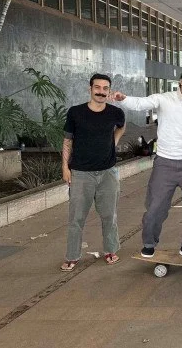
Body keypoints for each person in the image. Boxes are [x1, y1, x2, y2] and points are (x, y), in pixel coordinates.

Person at [112, 68, 182, 263]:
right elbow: (141, 103)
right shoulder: (164, 99)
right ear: (181, 82)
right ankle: (149, 244)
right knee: (155, 208)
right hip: (165, 163)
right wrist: (123, 99)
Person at [60, 74, 126, 271]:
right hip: (81, 173)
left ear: (109, 91)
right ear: (90, 89)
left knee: (109, 216)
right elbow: (67, 140)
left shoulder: (115, 112)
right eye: (97, 87)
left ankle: (110, 250)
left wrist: (113, 142)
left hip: (108, 173)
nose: (101, 92)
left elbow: (121, 127)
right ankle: (72, 256)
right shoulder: (75, 112)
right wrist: (65, 167)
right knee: (76, 218)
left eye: (105, 88)